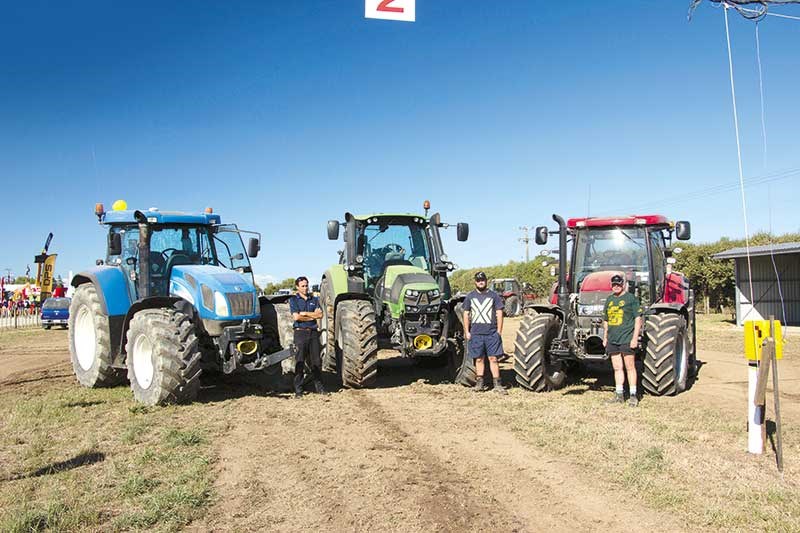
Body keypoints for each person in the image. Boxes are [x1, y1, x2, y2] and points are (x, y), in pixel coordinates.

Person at [602, 273, 643, 406]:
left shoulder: (631, 299)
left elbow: (638, 319)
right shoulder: (609, 300)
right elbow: (606, 321)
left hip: (627, 338)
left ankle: (632, 395)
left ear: (623, 284)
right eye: (614, 284)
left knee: (630, 367)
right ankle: (619, 394)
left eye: (619, 284)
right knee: (617, 368)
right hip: (613, 339)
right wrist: (605, 338)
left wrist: (634, 338)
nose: (616, 286)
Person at [463, 271, 507, 394]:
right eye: (478, 280)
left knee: (493, 358)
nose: (480, 282)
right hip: (476, 333)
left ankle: (497, 385)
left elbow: (499, 313)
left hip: (492, 333)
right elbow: (466, 314)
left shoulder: (494, 296)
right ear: (475, 282)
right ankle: (479, 384)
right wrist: (467, 331)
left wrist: (499, 331)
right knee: (479, 359)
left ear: (486, 281)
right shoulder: (470, 296)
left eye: (482, 280)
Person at [288, 276, 327, 397]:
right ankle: (298, 390)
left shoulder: (314, 299)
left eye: (306, 285)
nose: (305, 288)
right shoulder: (294, 300)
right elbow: (296, 317)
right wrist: (312, 316)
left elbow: (320, 315)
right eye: (303, 286)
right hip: (300, 333)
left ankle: (320, 388)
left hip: (313, 333)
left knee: (316, 361)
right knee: (300, 360)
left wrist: (305, 314)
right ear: (297, 287)